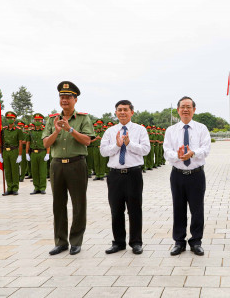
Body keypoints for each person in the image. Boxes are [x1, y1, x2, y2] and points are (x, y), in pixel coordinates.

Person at [43, 81, 95, 256]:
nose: (64, 100)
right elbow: (46, 143)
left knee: (79, 204)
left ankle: (76, 241)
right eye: (62, 97)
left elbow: (87, 141)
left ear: (75, 99)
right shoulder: (52, 119)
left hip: (76, 164)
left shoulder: (83, 118)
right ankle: (60, 242)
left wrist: (70, 129)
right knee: (58, 204)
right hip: (57, 165)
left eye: (68, 97)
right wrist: (56, 131)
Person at [100, 100, 150, 255]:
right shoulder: (110, 131)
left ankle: (136, 242)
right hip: (115, 175)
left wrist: (129, 144)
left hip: (133, 174)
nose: (122, 112)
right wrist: (117, 145)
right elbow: (103, 151)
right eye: (119, 110)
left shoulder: (140, 130)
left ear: (132, 112)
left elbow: (146, 150)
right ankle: (118, 242)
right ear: (115, 112)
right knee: (116, 210)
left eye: (125, 110)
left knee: (135, 209)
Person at [164, 96, 211, 256]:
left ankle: (196, 241)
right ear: (178, 110)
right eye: (182, 107)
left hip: (196, 175)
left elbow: (206, 149)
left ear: (194, 110)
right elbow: (167, 151)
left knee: (197, 209)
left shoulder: (201, 128)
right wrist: (178, 156)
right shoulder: (171, 130)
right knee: (178, 208)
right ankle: (179, 241)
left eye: (188, 107)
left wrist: (192, 153)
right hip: (177, 175)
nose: (185, 109)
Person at [0, 111, 24, 196]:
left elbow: (20, 143)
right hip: (5, 152)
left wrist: (20, 155)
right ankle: (9, 188)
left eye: (11, 118)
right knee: (7, 170)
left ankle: (15, 188)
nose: (9, 120)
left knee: (14, 170)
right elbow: (0, 141)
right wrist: (0, 154)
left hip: (14, 151)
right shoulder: (3, 130)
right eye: (8, 118)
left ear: (14, 119)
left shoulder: (18, 130)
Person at [26, 113, 50, 194]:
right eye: (36, 120)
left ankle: (42, 187)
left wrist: (47, 153)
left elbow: (47, 142)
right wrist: (26, 153)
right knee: (34, 171)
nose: (37, 121)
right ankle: (36, 187)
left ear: (42, 121)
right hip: (33, 153)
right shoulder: (30, 131)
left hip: (42, 152)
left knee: (42, 171)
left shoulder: (45, 131)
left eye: (39, 120)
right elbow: (28, 143)